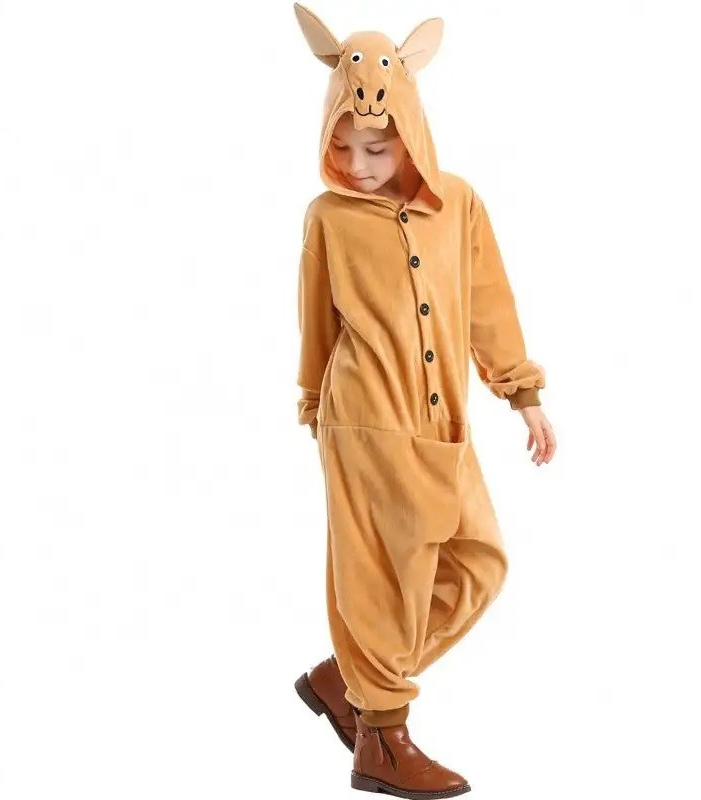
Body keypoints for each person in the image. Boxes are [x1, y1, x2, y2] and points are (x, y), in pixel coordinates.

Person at [290, 5, 557, 798]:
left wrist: (522, 393)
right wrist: (314, 407)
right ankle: (382, 738)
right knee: (382, 578)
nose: (359, 163)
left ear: (411, 129)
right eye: (343, 145)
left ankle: (349, 680)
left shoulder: (459, 204)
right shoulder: (328, 217)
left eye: (378, 146)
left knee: (479, 561)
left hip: (442, 421)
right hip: (363, 418)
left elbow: (487, 302)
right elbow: (315, 321)